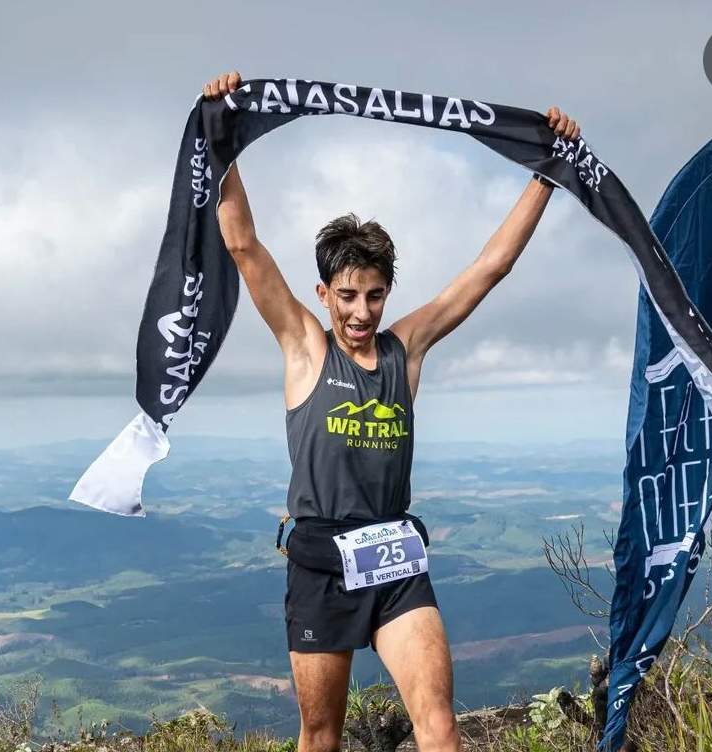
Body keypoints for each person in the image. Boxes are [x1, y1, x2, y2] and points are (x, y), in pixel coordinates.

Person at [203, 70, 580, 752]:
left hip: (393, 561)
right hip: (319, 564)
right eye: (347, 294)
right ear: (323, 292)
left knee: (439, 732)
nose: (360, 311)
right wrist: (220, 137)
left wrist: (547, 173)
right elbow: (242, 248)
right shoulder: (304, 349)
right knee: (319, 737)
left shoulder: (405, 349)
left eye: (374, 295)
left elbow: (486, 270)